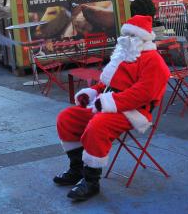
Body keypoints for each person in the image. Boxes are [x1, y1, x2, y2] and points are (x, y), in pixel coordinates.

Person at [54, 14, 170, 201]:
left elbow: (144, 94)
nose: (126, 40)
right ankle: (77, 170)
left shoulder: (153, 61)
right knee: (66, 117)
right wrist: (90, 93)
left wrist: (110, 103)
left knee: (97, 125)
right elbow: (106, 84)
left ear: (143, 39)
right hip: (105, 104)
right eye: (125, 35)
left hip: (133, 111)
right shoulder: (123, 55)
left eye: (132, 36)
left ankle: (91, 182)